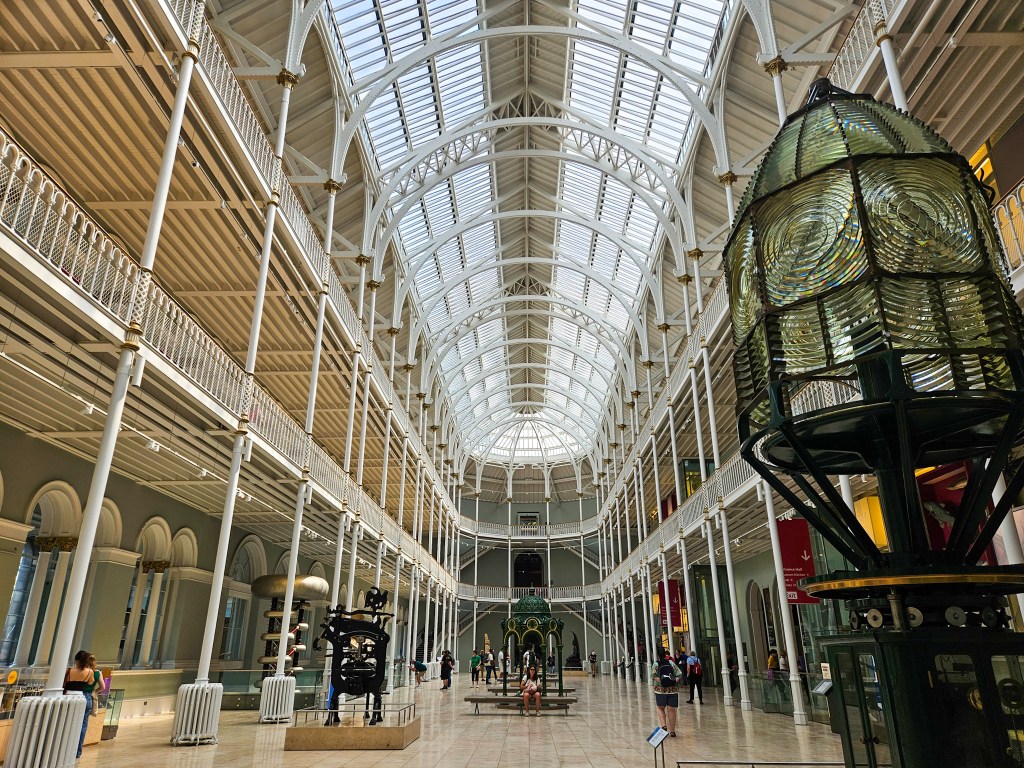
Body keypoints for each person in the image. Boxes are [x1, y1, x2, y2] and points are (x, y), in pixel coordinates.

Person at [63, 649, 96, 758]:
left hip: (68, 697)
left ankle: (64, 749)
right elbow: (91, 682)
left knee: (66, 724)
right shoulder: (89, 672)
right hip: (81, 697)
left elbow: (64, 682)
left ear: (76, 660)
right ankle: (77, 751)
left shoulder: (69, 671)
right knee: (82, 725)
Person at [651, 648, 682, 737]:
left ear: (658, 655)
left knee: (660, 708)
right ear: (665, 654)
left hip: (660, 690)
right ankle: (672, 731)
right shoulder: (671, 663)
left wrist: (662, 681)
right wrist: (673, 681)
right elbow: (679, 673)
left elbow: (653, 676)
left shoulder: (656, 664)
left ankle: (664, 725)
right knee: (671, 709)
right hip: (672, 690)